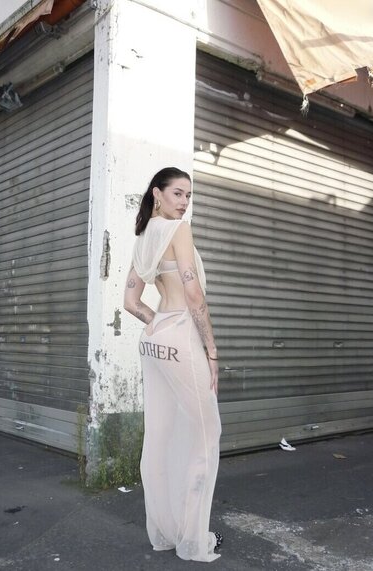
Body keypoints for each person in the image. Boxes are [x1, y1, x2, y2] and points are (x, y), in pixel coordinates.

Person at [124, 167, 223, 562]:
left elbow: (131, 302)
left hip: (154, 340)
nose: (184, 202)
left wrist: (158, 324)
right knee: (208, 433)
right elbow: (193, 294)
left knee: (159, 437)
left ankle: (164, 533)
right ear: (157, 194)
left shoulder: (144, 236)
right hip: (181, 335)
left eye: (189, 195)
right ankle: (194, 541)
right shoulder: (178, 230)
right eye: (178, 193)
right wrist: (211, 350)